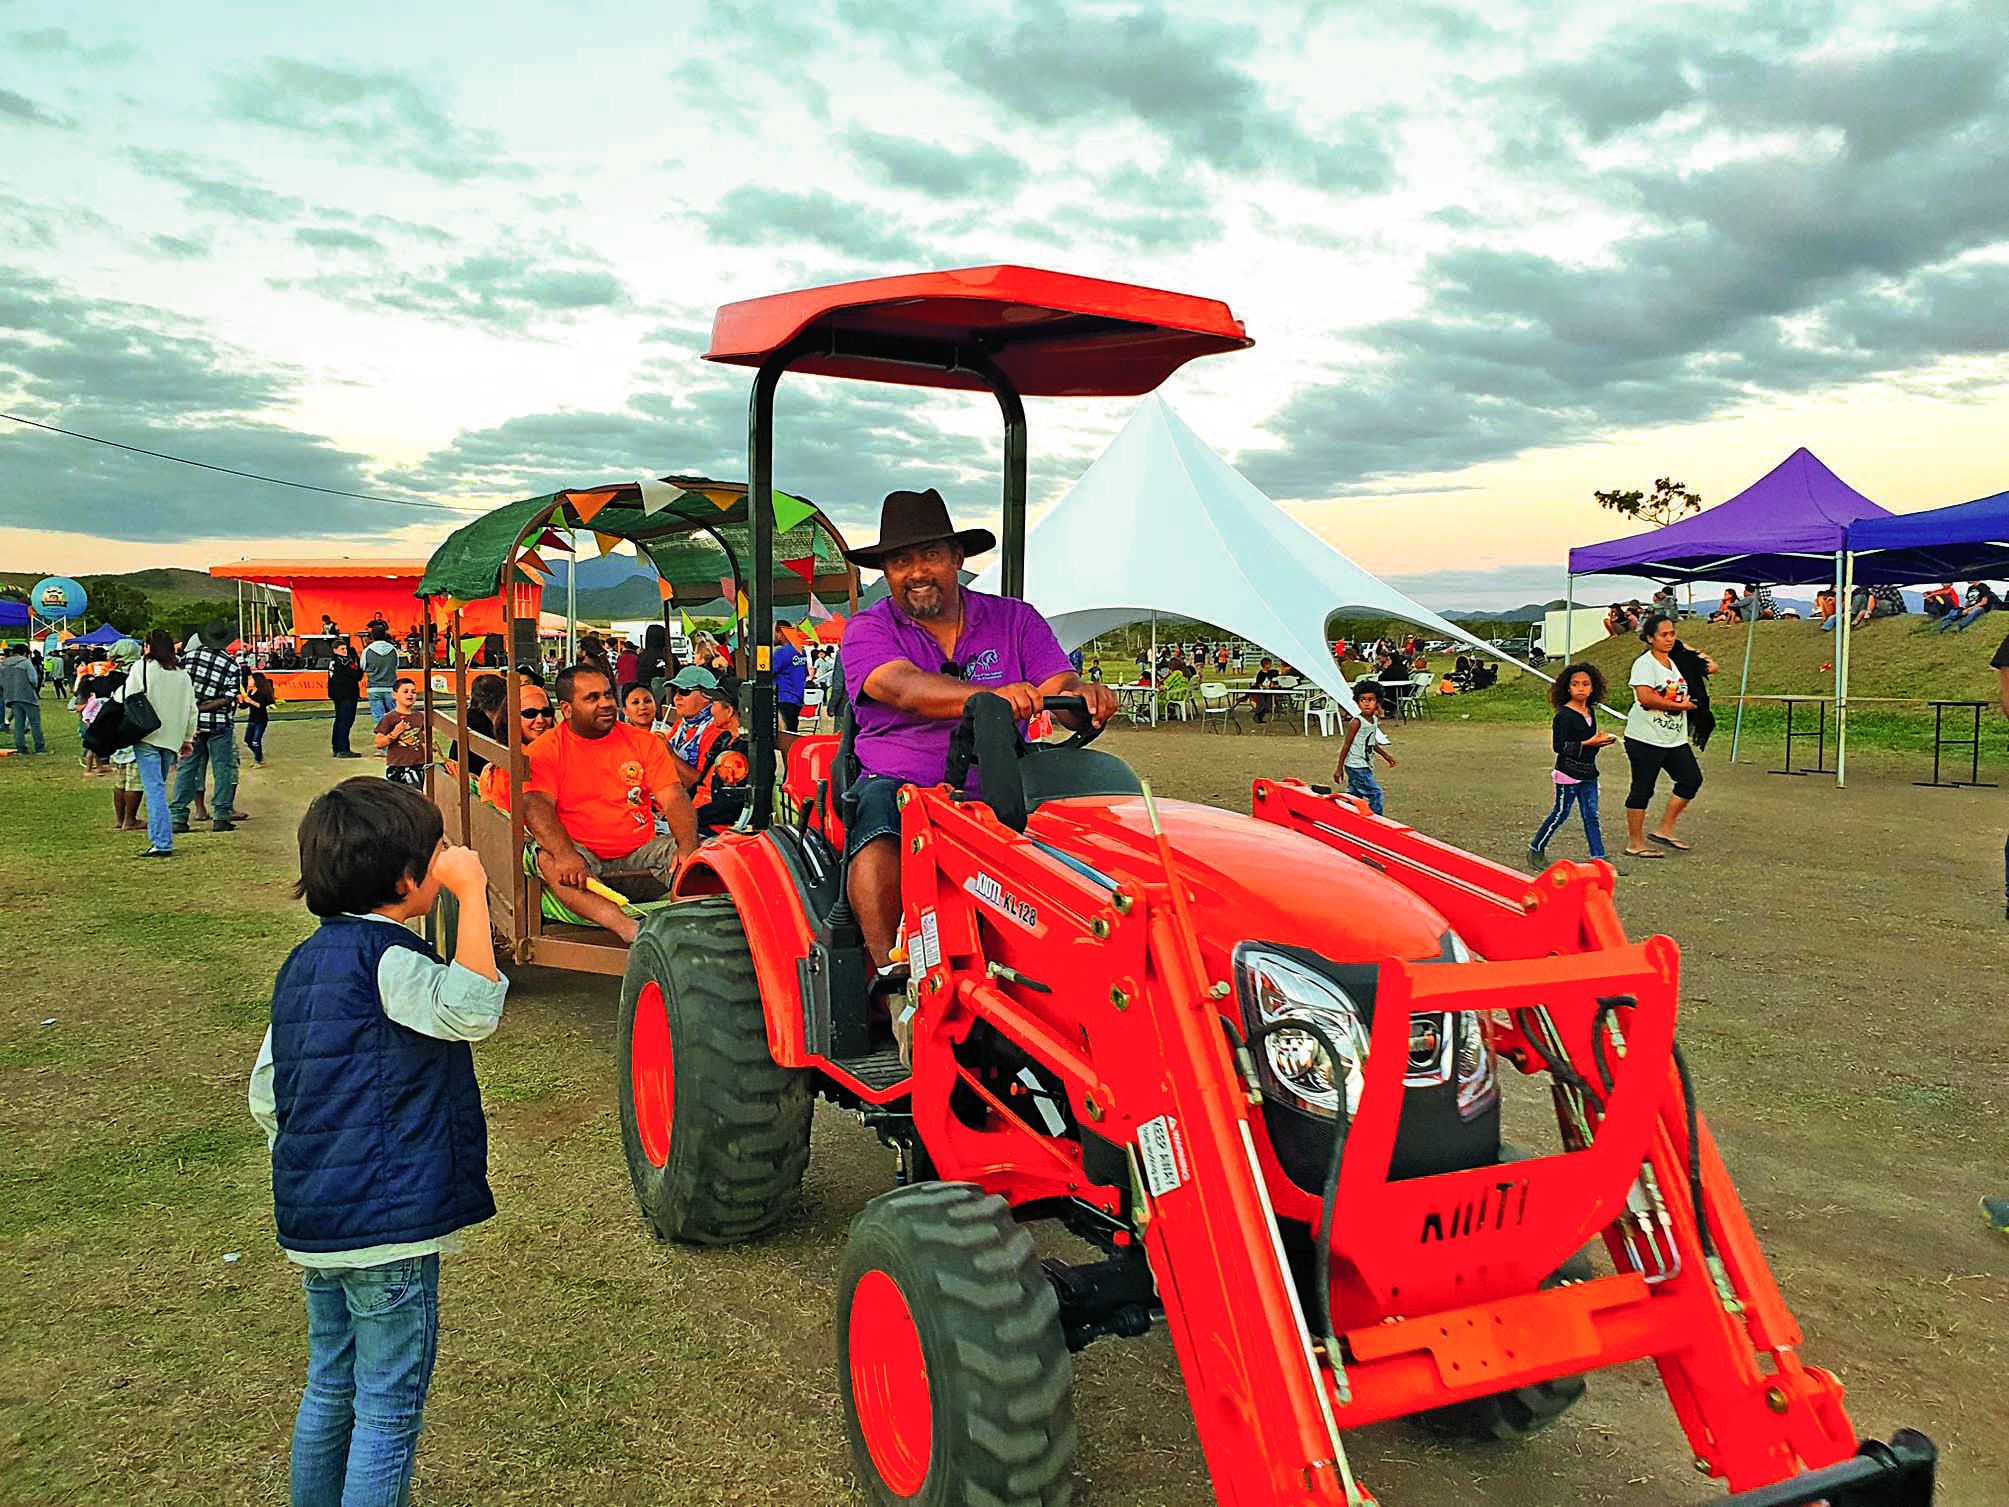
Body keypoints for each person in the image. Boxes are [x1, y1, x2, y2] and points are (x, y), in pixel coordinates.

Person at [249, 778, 504, 1507]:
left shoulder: (302, 966)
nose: (449, 858)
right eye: (440, 851)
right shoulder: (388, 959)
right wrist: (473, 895)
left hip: (317, 1222)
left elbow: (267, 1094)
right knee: (388, 1406)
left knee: (331, 1384)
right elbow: (472, 1008)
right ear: (407, 877)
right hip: (385, 1232)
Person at [839, 487, 1114, 968]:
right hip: (905, 784)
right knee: (879, 831)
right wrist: (989, 698)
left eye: (931, 555)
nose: (917, 571)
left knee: (1093, 823)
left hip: (1008, 780)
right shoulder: (869, 629)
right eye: (901, 561)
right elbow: (902, 687)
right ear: (886, 572)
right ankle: (888, 972)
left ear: (957, 558)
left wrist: (1083, 696)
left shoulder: (1014, 619)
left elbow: (1059, 682)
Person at [522, 662, 700, 943]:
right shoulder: (544, 750)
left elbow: (674, 797)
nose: (605, 703)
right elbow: (536, 806)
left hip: (642, 856)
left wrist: (688, 847)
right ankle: (629, 929)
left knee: (705, 854)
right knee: (548, 857)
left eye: (607, 694)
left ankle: (682, 929)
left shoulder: (644, 743)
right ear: (567, 709)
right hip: (583, 864)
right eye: (592, 698)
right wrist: (566, 854)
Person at [1621, 612, 1703, 858]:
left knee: (1691, 780)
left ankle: (1664, 829)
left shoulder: (1675, 661)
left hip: (1673, 738)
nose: (1669, 639)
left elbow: (1711, 666)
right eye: (1663, 635)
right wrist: (1681, 707)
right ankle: (1635, 843)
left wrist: (1685, 647)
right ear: (1649, 638)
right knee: (1643, 789)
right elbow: (1645, 698)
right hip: (1644, 737)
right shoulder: (1645, 664)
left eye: (1672, 634)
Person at [119, 631, 198, 859]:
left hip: (147, 735)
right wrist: (187, 738)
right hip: (171, 739)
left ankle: (162, 841)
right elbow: (191, 709)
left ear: (148, 647)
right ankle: (161, 838)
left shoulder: (142, 668)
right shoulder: (182, 674)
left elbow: (129, 695)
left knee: (154, 790)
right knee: (159, 787)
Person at [1529, 662, 1615, 866]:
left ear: (1593, 687)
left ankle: (1599, 857)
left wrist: (1600, 742)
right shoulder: (1564, 716)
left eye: (1586, 684)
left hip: (1589, 772)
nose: (1581, 688)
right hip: (1568, 773)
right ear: (1567, 688)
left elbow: (1587, 742)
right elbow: (1559, 746)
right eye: (1575, 684)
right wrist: (1589, 742)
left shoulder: (1590, 712)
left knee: (1591, 815)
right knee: (1560, 813)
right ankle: (1536, 848)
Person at [170, 620, 248, 834]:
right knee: (222, 768)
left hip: (191, 724)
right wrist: (208, 706)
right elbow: (231, 696)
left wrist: (194, 708)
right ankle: (221, 815)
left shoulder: (187, 659)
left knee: (188, 768)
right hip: (219, 723)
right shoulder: (231, 665)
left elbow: (177, 689)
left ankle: (178, 816)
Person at [472, 684, 554, 813]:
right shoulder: (512, 762)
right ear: (511, 718)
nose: (540, 720)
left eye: (546, 712)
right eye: (529, 713)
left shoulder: (557, 749)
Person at [690, 681, 751, 834]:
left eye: (713, 704)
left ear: (729, 711)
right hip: (697, 817)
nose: (710, 711)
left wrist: (689, 817)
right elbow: (700, 782)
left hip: (715, 828)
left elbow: (732, 806)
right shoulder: (724, 739)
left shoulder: (745, 751)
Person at [1335, 685, 1395, 815]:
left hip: (1365, 763)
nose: (1366, 704)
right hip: (1356, 765)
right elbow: (1346, 745)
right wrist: (1339, 768)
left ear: (1377, 702)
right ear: (1357, 702)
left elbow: (1371, 743)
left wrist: (1386, 756)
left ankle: (1343, 815)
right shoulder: (1357, 722)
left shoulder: (1373, 720)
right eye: (1362, 700)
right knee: (1375, 793)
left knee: (1354, 795)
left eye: (1371, 700)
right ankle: (1376, 821)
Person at [660, 664, 724, 784]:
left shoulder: (716, 730)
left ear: (706, 695)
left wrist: (670, 754)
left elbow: (701, 783)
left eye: (684, 691)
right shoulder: (680, 725)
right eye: (675, 691)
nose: (676, 698)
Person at [373, 679, 428, 787]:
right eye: (405, 691)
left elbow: (423, 737)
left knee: (415, 796)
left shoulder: (420, 716)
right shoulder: (389, 718)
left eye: (413, 692)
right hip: (397, 766)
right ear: (394, 695)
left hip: (418, 764)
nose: (410, 695)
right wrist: (394, 733)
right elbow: (379, 743)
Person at [1, 642, 43, 755]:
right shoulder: (25, 663)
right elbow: (34, 679)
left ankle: (21, 748)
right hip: (27, 695)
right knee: (35, 722)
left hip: (11, 696)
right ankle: (39, 747)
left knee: (18, 724)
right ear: (25, 653)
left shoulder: (3, 664)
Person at [328, 641, 364, 759]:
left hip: (338, 694)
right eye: (342, 649)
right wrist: (356, 660)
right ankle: (343, 748)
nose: (345, 651)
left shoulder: (333, 661)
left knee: (339, 721)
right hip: (346, 695)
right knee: (345, 721)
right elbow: (357, 675)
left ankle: (337, 747)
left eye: (345, 649)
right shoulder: (343, 662)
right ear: (335, 650)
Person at [361, 624, 402, 726]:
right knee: (395, 719)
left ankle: (383, 740)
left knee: (379, 720)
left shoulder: (367, 650)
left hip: (374, 688)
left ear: (372, 636)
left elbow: (362, 667)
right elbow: (396, 666)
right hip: (390, 687)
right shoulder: (393, 650)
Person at [772, 636, 806, 731]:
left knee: (784, 733)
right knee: (792, 731)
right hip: (798, 698)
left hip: (784, 697)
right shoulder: (801, 651)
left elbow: (767, 673)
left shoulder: (781, 653)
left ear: (780, 633)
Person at [243, 668, 275, 765]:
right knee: (248, 740)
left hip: (261, 720)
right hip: (252, 719)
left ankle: (259, 760)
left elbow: (261, 706)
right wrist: (241, 700)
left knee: (256, 741)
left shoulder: (262, 692)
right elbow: (244, 705)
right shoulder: (250, 692)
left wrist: (250, 701)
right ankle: (259, 755)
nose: (249, 681)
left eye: (250, 679)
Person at [1248, 656, 1280, 722]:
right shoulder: (1261, 674)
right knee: (1262, 704)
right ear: (1265, 665)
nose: (1271, 665)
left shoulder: (1270, 672)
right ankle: (1257, 716)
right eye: (1269, 664)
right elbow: (1259, 683)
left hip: (1268, 691)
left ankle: (1261, 716)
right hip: (1262, 690)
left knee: (1268, 705)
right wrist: (1265, 687)